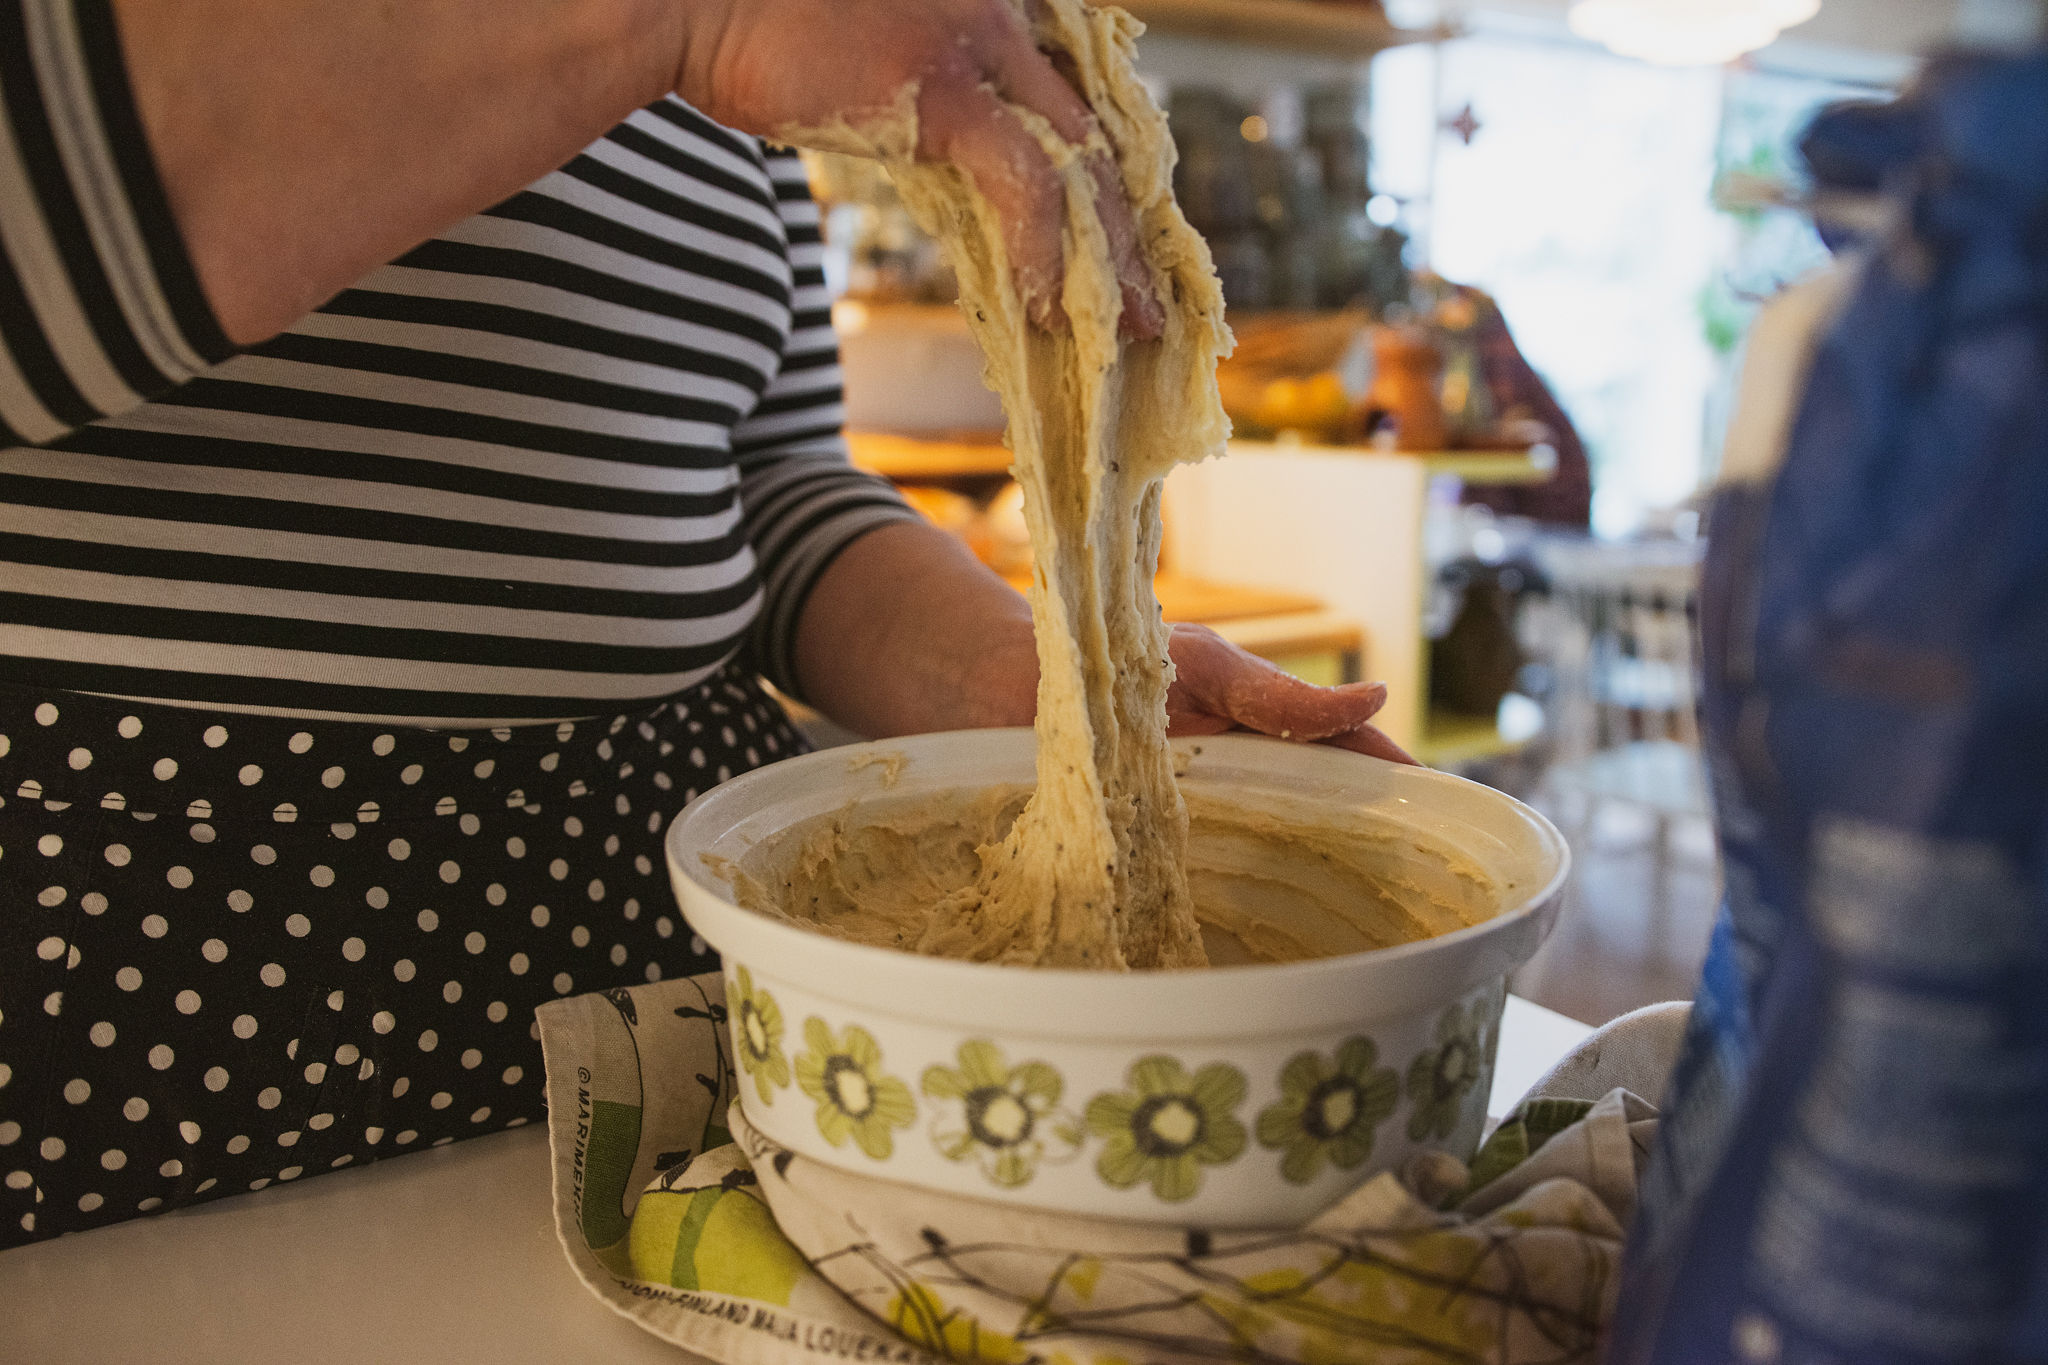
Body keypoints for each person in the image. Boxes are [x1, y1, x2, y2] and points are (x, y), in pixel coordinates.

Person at [0, 0, 1404, 1248]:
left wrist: (1067, 696)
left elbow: (768, 481)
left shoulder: (735, 109)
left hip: (676, 1023)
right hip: (156, 969)